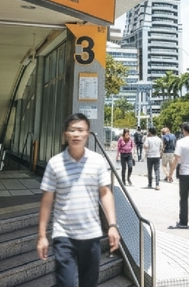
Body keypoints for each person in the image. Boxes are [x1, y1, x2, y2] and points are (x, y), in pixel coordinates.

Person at [37, 113, 120, 287]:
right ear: (65, 134)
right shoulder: (55, 163)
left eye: (80, 130)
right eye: (72, 130)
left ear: (88, 134)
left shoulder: (97, 161)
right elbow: (47, 201)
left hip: (91, 235)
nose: (76, 134)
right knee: (65, 283)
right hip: (63, 235)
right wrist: (42, 236)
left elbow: (105, 193)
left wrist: (112, 225)